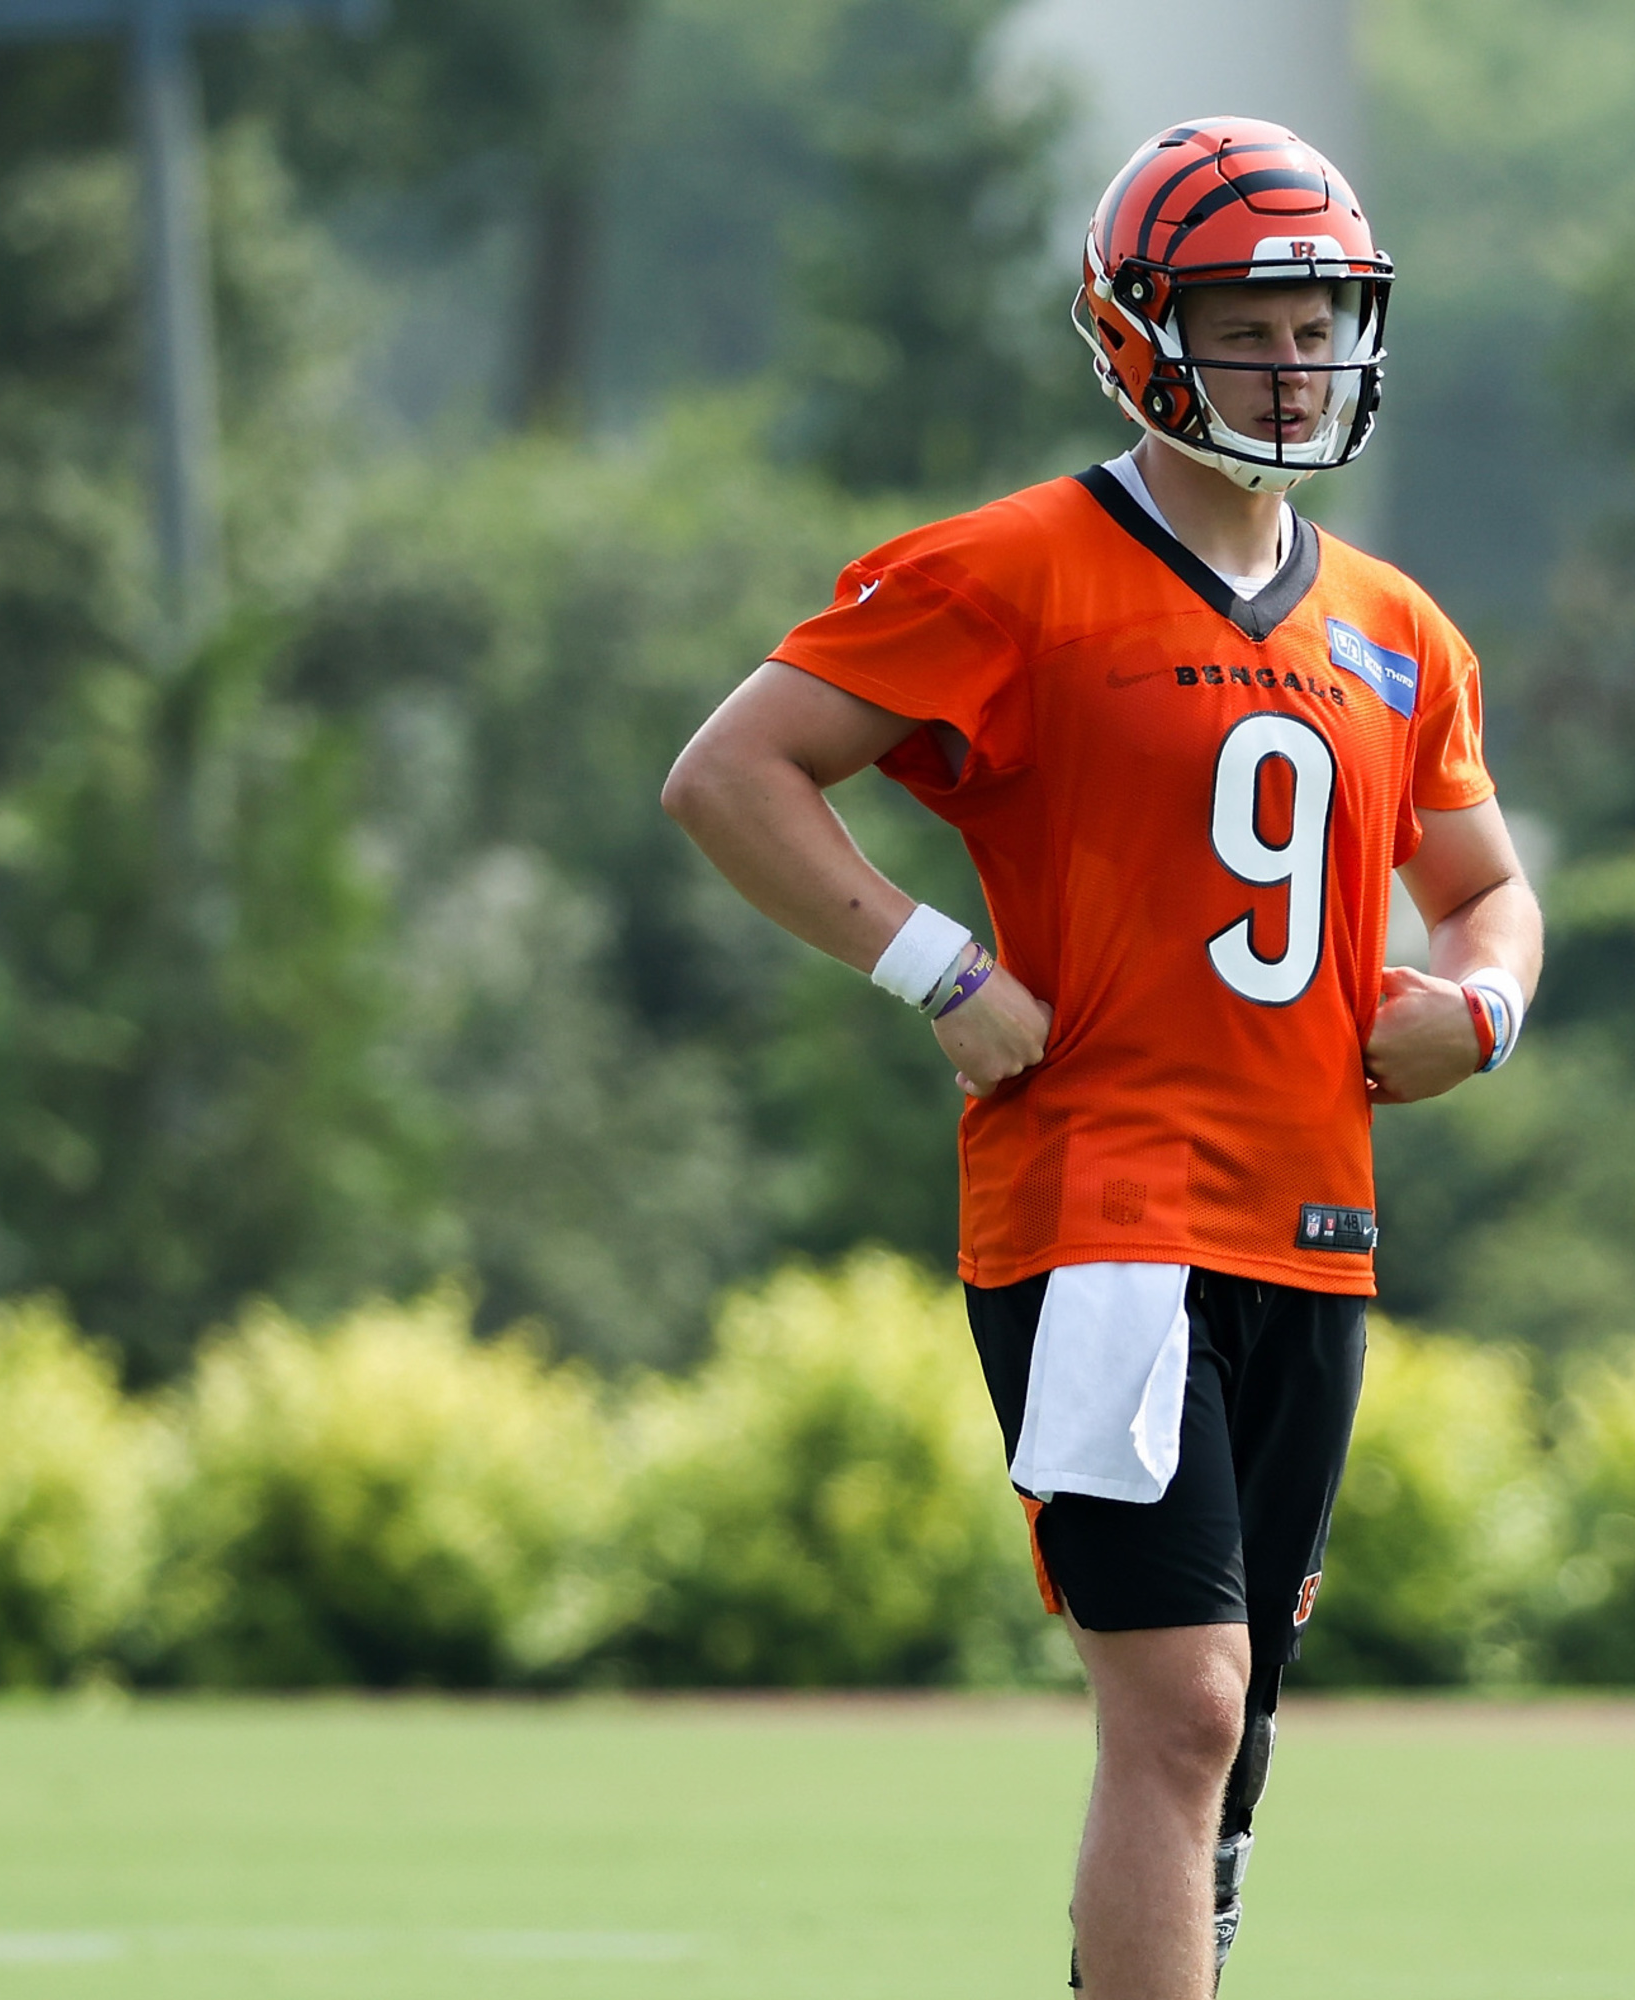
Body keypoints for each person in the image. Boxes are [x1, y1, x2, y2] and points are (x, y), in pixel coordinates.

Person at [660, 118, 1540, 2000]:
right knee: (1185, 1705)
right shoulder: (1012, 572)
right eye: (1246, 319)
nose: (1294, 362)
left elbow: (1487, 893)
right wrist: (927, 961)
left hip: (1315, 1226)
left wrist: (1480, 1010)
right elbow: (729, 775)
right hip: (1107, 1217)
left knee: (1229, 1740)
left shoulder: (1402, 629)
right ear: (1137, 329)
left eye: (1321, 324)